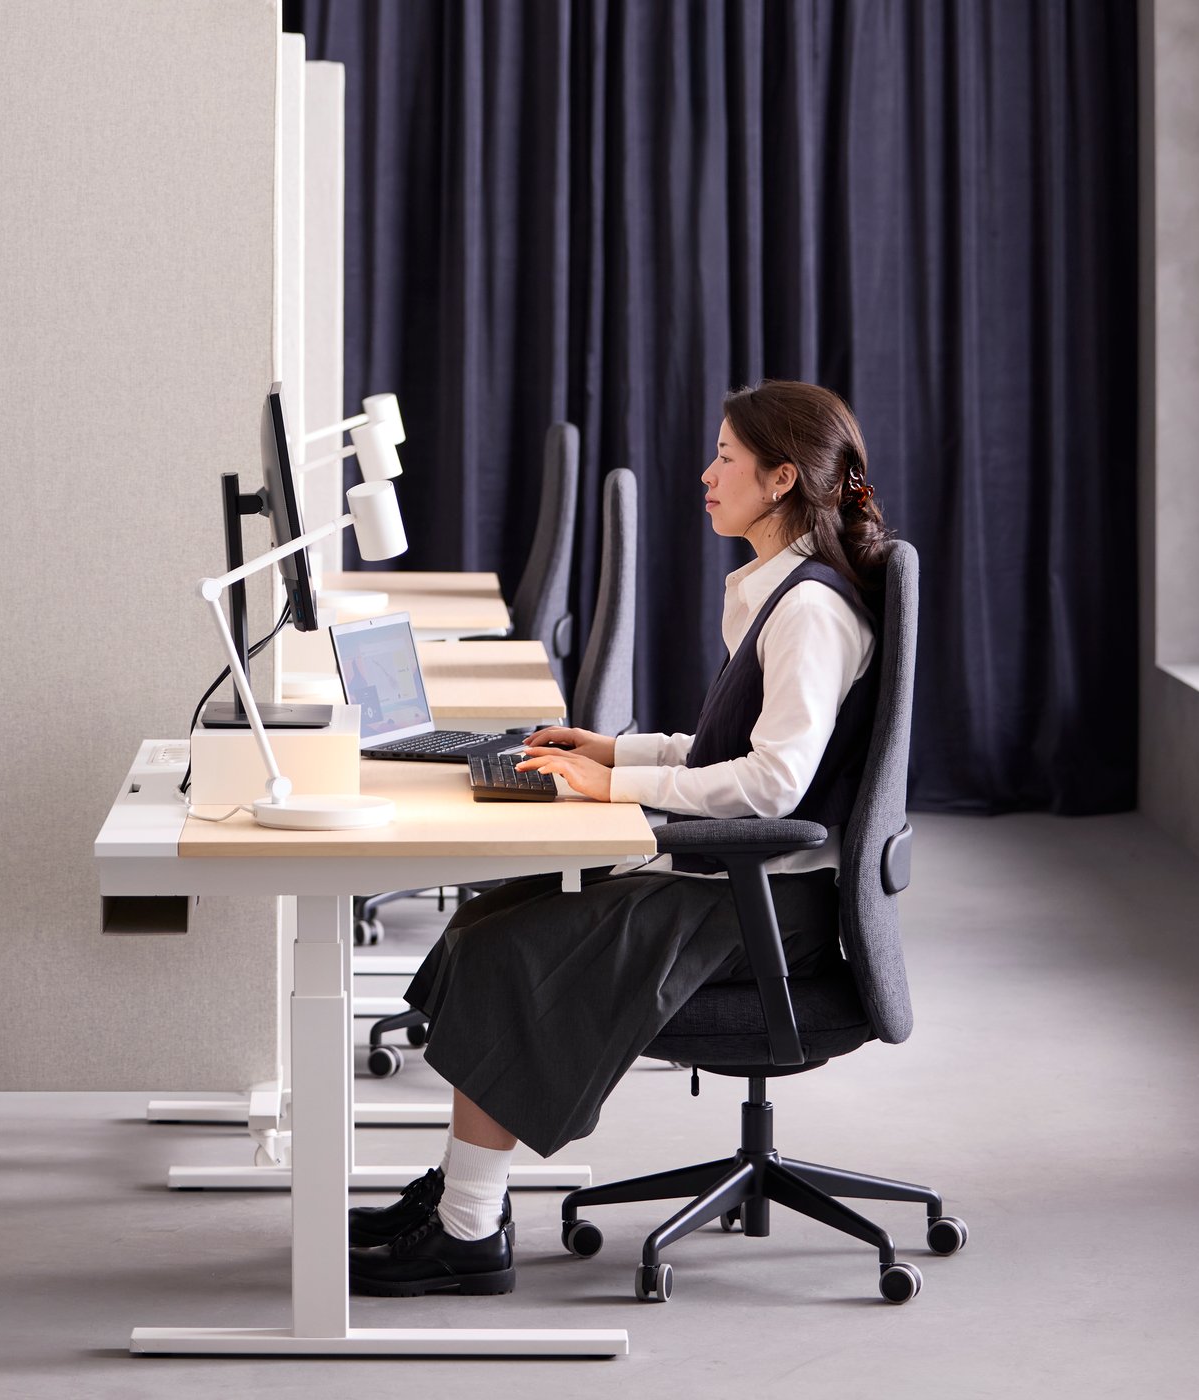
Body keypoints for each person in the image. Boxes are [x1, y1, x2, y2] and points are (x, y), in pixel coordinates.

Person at [349, 379, 894, 1297]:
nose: (708, 474)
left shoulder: (808, 612)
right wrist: (614, 749)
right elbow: (735, 749)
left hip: (764, 904)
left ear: (782, 479)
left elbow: (774, 784)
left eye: (727, 457)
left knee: (513, 954)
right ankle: (457, 1196)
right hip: (734, 883)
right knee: (486, 924)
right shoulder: (776, 592)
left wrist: (619, 785)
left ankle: (470, 1234)